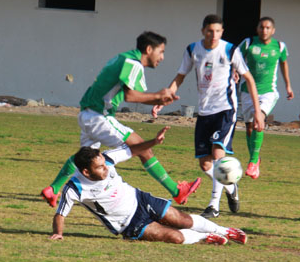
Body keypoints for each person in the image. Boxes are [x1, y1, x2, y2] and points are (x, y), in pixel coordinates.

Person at [41, 31, 201, 208]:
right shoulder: (133, 64)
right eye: (161, 52)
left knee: (86, 158)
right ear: (149, 49)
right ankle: (177, 192)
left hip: (86, 113)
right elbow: (130, 96)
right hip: (99, 116)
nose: (162, 57)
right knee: (143, 148)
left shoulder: (122, 58)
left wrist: (157, 100)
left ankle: (53, 189)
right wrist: (157, 96)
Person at [51, 126, 248, 245]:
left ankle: (224, 231)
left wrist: (153, 141)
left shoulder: (108, 159)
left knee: (181, 218)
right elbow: (60, 214)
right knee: (175, 237)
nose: (106, 168)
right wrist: (58, 234)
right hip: (128, 224)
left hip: (139, 199)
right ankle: (206, 237)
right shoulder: (75, 187)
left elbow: (132, 150)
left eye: (104, 164)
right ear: (86, 172)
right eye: (100, 168)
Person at [159, 14, 265, 218]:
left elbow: (249, 79)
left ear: (222, 32)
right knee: (205, 164)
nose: (214, 35)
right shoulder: (193, 50)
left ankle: (213, 206)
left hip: (226, 109)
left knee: (218, 155)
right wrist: (164, 97)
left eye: (217, 31)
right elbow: (180, 76)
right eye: (210, 31)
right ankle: (231, 187)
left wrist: (258, 112)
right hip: (205, 112)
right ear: (203, 31)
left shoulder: (229, 49)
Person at [238, 16, 293, 179]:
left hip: (268, 92)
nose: (264, 30)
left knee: (258, 120)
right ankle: (255, 159)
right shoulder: (248, 43)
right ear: (257, 29)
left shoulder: (280, 46)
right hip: (247, 91)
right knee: (249, 127)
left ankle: (253, 161)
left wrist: (288, 85)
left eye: (268, 28)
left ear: (273, 30)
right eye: (262, 27)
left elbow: (284, 64)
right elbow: (235, 59)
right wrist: (234, 72)